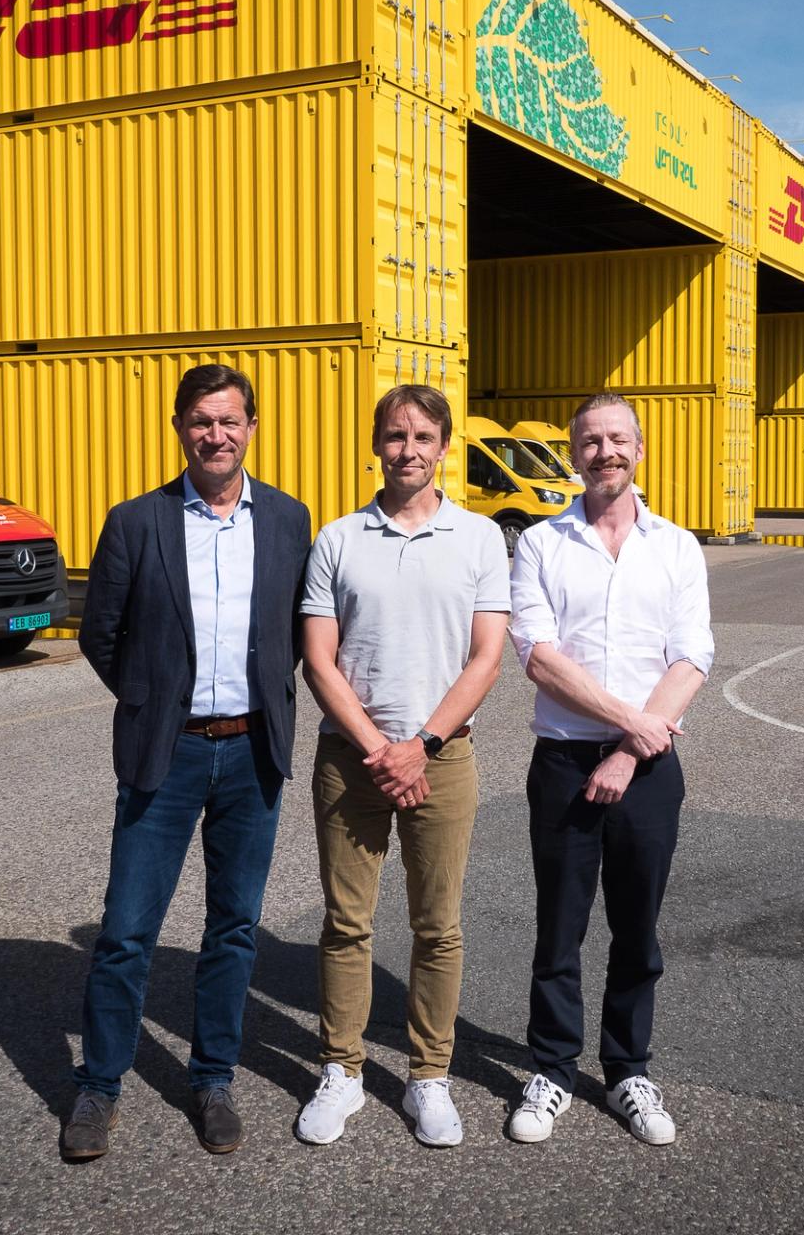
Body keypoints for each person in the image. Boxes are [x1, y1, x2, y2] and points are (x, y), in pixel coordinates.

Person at [68, 363, 313, 1160]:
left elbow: (296, 632)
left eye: (230, 420)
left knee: (233, 928)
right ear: (180, 427)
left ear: (251, 427)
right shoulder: (136, 521)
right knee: (128, 931)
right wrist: (150, 700)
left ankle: (212, 1079)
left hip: (251, 753)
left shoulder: (286, 519)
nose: (216, 434)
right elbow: (99, 633)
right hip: (164, 754)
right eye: (202, 420)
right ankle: (98, 1088)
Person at [294, 386, 510, 1148]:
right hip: (351, 762)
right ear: (377, 444)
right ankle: (342, 1071)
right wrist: (379, 747)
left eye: (422, 436)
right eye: (395, 436)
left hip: (442, 760)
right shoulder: (339, 538)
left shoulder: (480, 539)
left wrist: (421, 745)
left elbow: (487, 659)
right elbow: (318, 660)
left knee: (437, 925)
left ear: (445, 446)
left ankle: (428, 1077)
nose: (408, 449)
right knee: (346, 923)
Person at [505, 392, 713, 1147]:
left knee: (637, 931)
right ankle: (553, 1072)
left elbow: (694, 656)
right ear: (573, 453)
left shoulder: (678, 546)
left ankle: (629, 1070)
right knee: (559, 930)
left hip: (649, 772)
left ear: (640, 448)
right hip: (564, 765)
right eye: (590, 441)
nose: (605, 452)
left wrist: (630, 750)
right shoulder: (540, 544)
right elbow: (538, 656)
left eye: (617, 438)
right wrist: (631, 722)